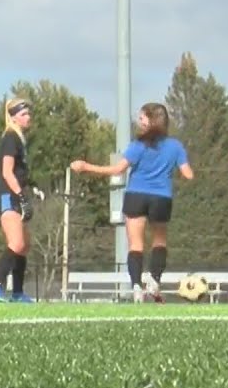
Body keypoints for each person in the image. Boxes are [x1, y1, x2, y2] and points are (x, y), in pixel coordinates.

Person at [71, 102, 194, 303]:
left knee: (135, 244)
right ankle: (154, 279)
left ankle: (136, 286)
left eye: (142, 117)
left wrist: (86, 167)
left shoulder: (138, 146)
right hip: (161, 197)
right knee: (159, 241)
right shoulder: (175, 146)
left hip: (136, 195)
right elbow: (188, 174)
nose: (139, 121)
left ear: (151, 121)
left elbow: (117, 170)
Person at [0, 98, 40, 303]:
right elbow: (7, 172)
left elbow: (19, 171)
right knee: (16, 243)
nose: (28, 117)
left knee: (24, 245)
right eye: (23, 114)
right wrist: (21, 196)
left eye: (29, 113)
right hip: (7, 196)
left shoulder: (20, 139)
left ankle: (17, 293)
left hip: (15, 194)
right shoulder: (10, 137)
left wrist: (32, 186)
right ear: (13, 117)